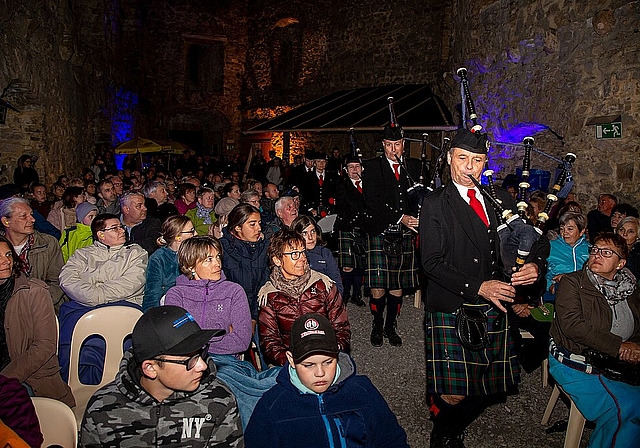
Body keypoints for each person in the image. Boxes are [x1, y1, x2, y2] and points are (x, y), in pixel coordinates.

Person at [420, 129, 547, 447]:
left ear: (485, 163)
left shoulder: (501, 198)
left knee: (492, 384)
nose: (469, 167)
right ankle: (444, 432)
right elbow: (431, 263)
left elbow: (535, 240)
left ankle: (450, 425)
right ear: (450, 159)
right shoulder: (435, 203)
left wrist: (535, 266)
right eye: (462, 158)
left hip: (497, 305)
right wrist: (479, 286)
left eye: (477, 160)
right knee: (456, 390)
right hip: (454, 303)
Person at [80, 305, 244, 447]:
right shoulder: (102, 409)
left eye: (201, 353)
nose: (202, 365)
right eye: (189, 360)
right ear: (150, 368)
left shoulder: (219, 401)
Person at [244, 313, 408, 448]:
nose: (320, 373)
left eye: (328, 362)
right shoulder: (272, 406)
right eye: (309, 365)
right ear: (291, 359)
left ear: (337, 353)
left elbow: (392, 440)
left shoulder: (363, 391)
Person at [549, 232, 640, 448]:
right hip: (579, 361)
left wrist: (635, 347)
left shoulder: (631, 287)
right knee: (627, 405)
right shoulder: (574, 283)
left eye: (606, 252)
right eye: (595, 250)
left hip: (619, 361)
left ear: (621, 263)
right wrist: (618, 347)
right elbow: (573, 326)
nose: (597, 255)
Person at [361, 122, 422, 347]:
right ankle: (377, 325)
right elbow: (372, 199)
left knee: (397, 283)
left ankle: (390, 325)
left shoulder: (413, 167)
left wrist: (418, 215)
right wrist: (400, 217)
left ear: (403, 145)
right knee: (378, 285)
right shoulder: (372, 166)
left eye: (396, 144)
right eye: (388, 145)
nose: (393, 149)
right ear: (383, 145)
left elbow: (420, 196)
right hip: (380, 230)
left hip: (405, 233)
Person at [0, 235, 75, 407]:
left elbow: (44, 346)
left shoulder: (33, 292)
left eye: (8, 255)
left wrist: (5, 379)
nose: (6, 261)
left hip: (29, 377)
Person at [258, 230, 350, 366]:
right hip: (292, 362)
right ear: (277, 260)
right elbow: (269, 343)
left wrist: (330, 354)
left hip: (327, 356)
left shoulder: (323, 285)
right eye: (295, 254)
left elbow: (341, 328)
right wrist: (293, 362)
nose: (302, 258)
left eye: (303, 252)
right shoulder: (270, 296)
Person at [165, 236, 252, 357]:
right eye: (209, 259)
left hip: (225, 362)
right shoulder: (177, 294)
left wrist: (198, 342)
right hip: (188, 362)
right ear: (191, 266)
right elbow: (176, 339)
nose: (217, 264)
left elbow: (242, 341)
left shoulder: (233, 291)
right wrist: (220, 337)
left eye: (218, 257)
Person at [59, 213, 148, 307]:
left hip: (125, 304)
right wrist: (92, 296)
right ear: (101, 235)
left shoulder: (135, 252)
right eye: (115, 228)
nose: (122, 230)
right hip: (85, 304)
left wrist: (98, 295)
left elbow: (132, 282)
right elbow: (67, 279)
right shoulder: (82, 254)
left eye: (121, 227)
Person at [0, 197, 65, 313]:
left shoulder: (48, 244)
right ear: (6, 221)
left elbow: (58, 281)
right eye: (24, 216)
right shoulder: (2, 247)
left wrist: (34, 303)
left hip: (42, 308)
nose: (33, 219)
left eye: (31, 214)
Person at [334, 150, 367, 307]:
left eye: (357, 166)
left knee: (360, 263)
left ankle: (356, 295)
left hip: (364, 228)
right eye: (351, 167)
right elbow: (343, 207)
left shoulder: (369, 185)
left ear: (362, 168)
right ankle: (345, 295)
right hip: (348, 227)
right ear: (346, 170)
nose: (355, 170)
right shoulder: (341, 186)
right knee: (348, 266)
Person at [142, 215, 196, 311]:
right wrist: (153, 318)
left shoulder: (198, 253)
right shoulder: (159, 258)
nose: (196, 234)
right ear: (178, 237)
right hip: (170, 307)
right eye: (191, 231)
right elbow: (152, 293)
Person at [291, 215, 343, 296]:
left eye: (313, 231)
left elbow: (337, 284)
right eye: (305, 233)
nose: (310, 237)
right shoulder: (291, 256)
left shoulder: (325, 253)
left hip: (323, 299)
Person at [544, 212, 589, 302]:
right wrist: (549, 286)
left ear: (582, 231)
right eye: (562, 229)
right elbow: (539, 272)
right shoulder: (550, 247)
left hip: (583, 295)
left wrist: (568, 278)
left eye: (570, 229)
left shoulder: (590, 249)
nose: (565, 233)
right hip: (557, 295)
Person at [120, 190, 162, 255]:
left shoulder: (152, 223)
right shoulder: (112, 224)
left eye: (144, 205)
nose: (145, 208)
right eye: (139, 206)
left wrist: (121, 247)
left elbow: (152, 243)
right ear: (126, 209)